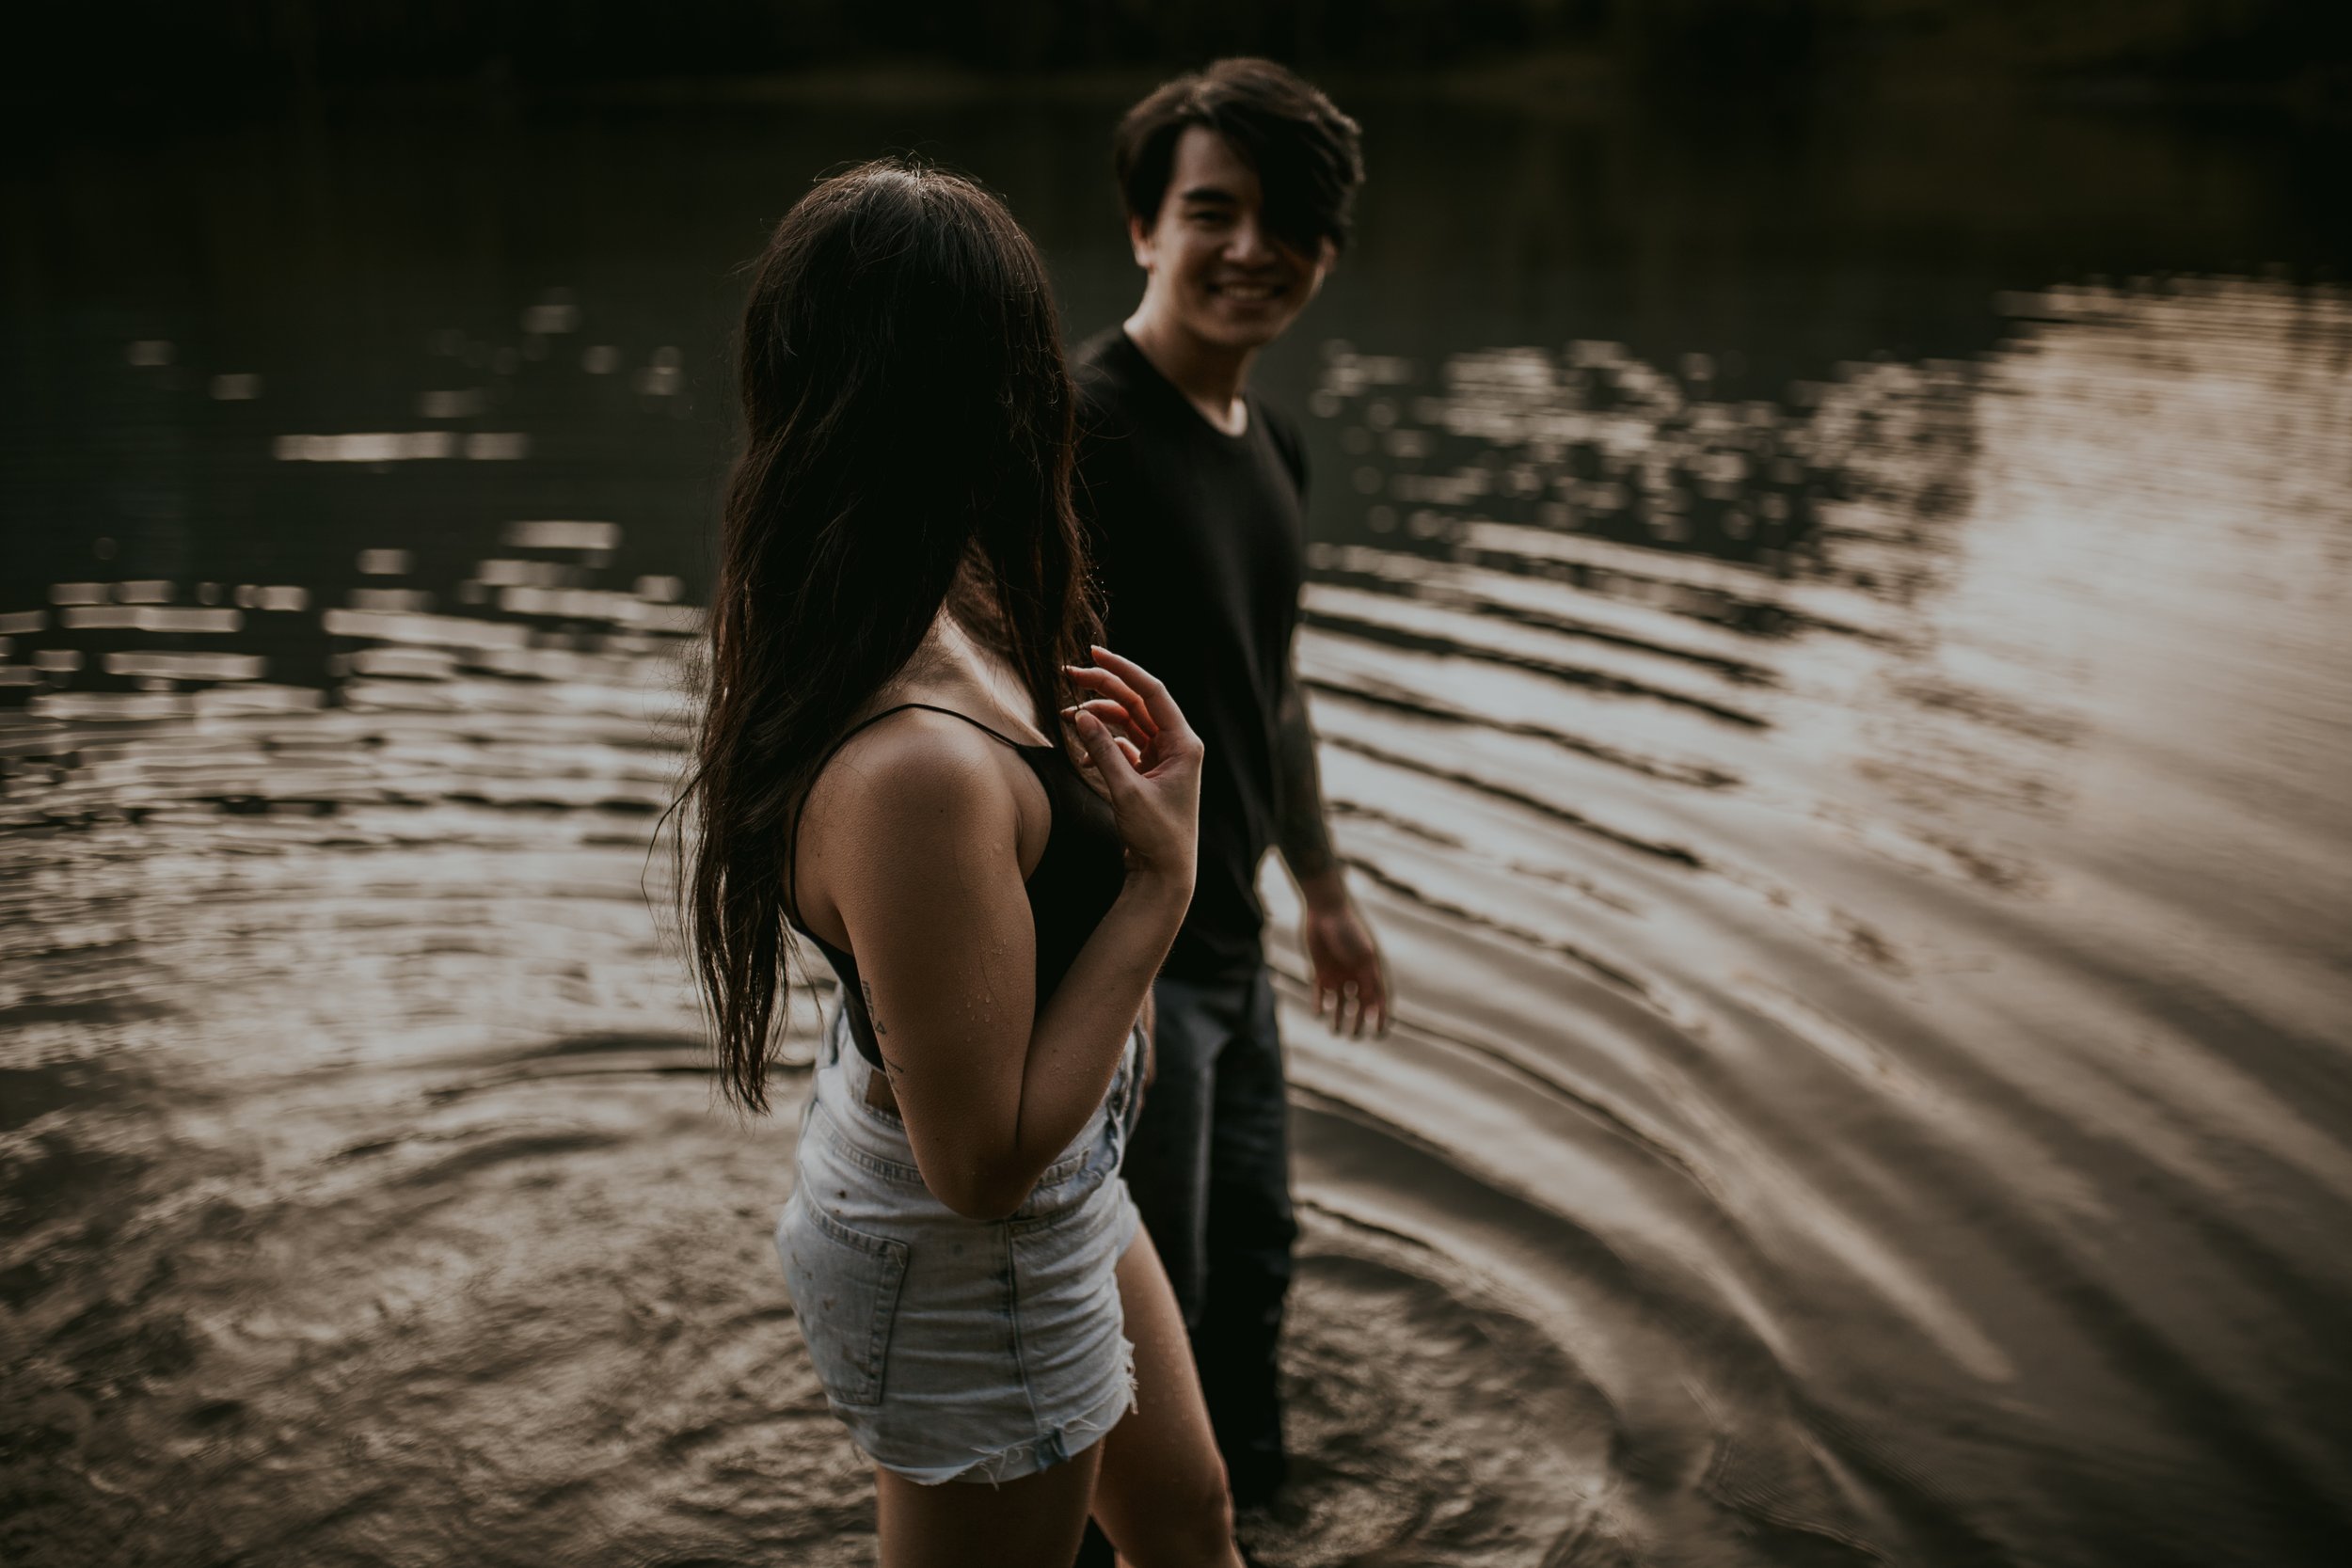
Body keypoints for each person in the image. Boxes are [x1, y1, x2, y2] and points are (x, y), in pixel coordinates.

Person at [679, 159, 1245, 1567]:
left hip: (1066, 1193)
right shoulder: (914, 772)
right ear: (997, 386)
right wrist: (1160, 887)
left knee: (1190, 1529)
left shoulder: (944, 599)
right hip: (967, 1255)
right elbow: (976, 1164)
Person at [1072, 59, 1391, 1516]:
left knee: (1253, 1265)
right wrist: (1100, 967)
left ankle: (1258, 1523)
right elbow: (1011, 710)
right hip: (1127, 973)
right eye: (1216, 211)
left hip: (1234, 955)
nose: (1255, 249)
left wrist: (1322, 892)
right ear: (1146, 226)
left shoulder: (1275, 446)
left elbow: (1269, 687)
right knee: (1135, 1323)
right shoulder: (1078, 432)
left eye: (1292, 224)